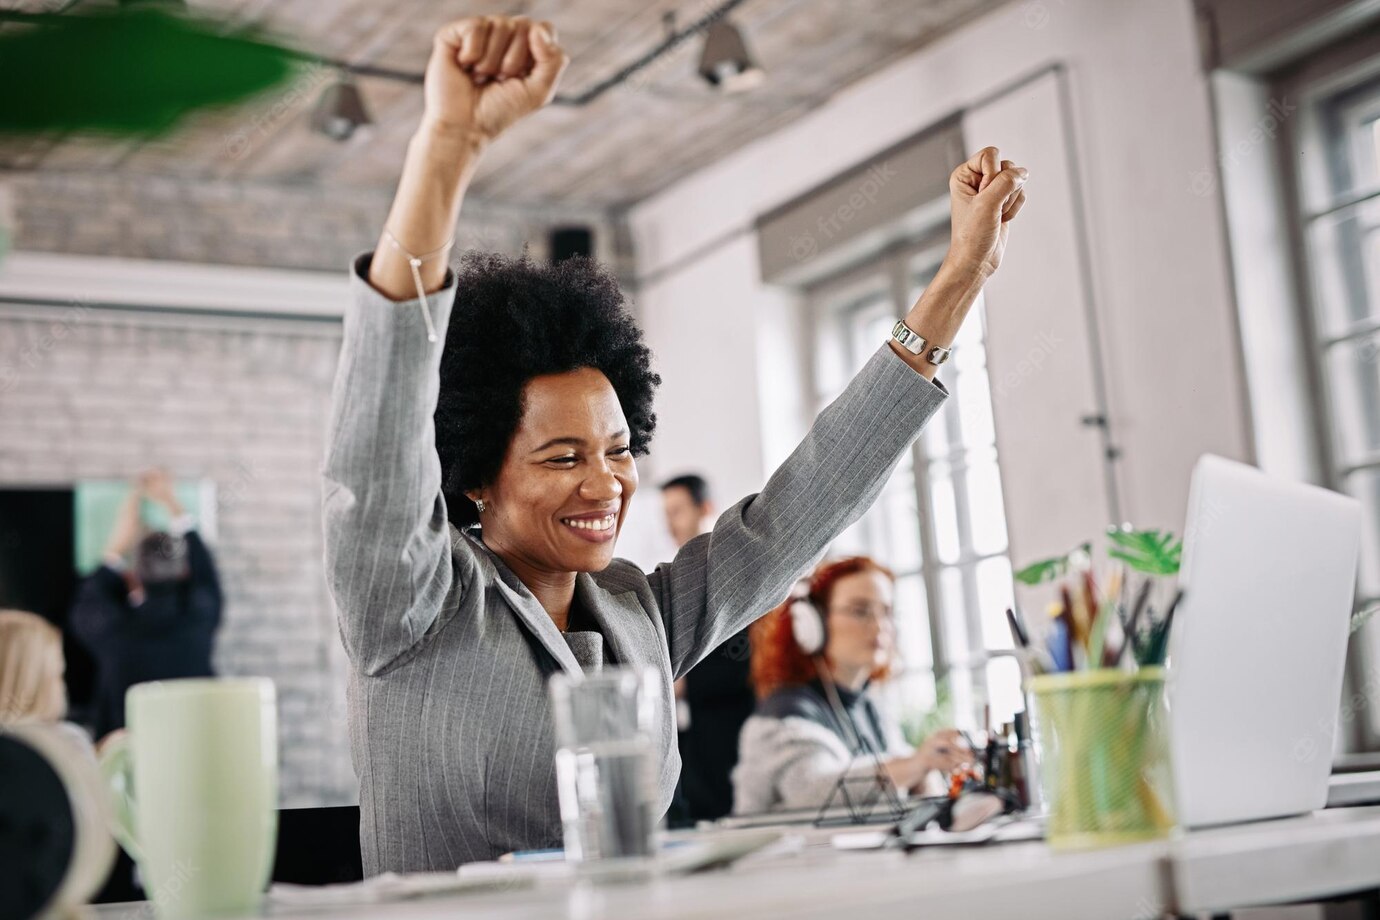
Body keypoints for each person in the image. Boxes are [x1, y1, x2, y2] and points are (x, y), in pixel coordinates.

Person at [322, 13, 1026, 874]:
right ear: (473, 476)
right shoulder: (410, 599)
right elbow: (378, 433)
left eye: (618, 450)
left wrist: (957, 282)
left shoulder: (636, 610)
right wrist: (448, 146)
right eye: (563, 457)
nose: (606, 483)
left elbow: (800, 510)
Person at [732, 557, 970, 815]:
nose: (880, 626)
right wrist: (916, 765)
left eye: (887, 612)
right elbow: (814, 789)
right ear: (811, 624)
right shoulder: (783, 714)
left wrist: (927, 773)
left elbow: (904, 768)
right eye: (860, 610)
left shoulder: (870, 706)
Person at [69, 469, 222, 739]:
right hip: (198, 750)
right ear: (184, 573)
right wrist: (172, 504)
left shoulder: (113, 631)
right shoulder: (200, 615)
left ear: (133, 576)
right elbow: (206, 574)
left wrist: (116, 545)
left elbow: (85, 605)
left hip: (125, 765)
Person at [661, 474, 754, 821]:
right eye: (666, 514)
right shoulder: (675, 585)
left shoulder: (738, 576)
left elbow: (748, 662)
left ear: (706, 509)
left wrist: (680, 684)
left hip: (738, 738)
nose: (670, 523)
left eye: (677, 511)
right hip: (696, 745)